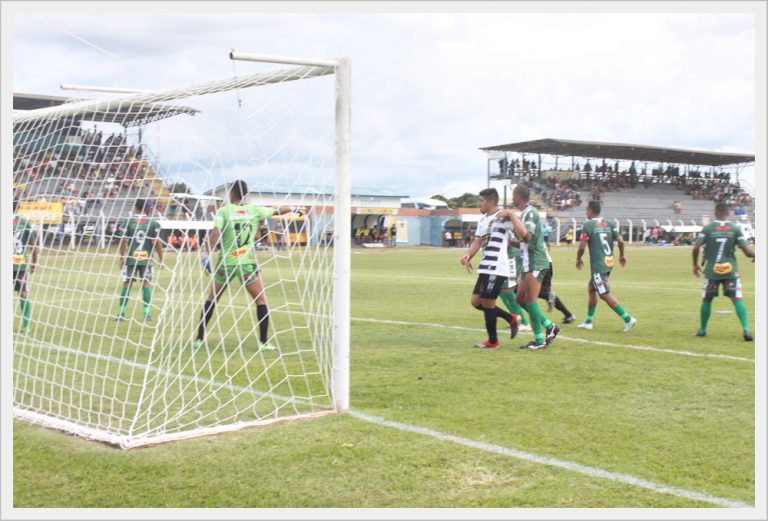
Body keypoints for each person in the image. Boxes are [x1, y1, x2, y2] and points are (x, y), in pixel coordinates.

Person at [192, 180, 295, 351]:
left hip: (226, 263)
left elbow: (215, 233)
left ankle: (198, 339)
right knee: (261, 301)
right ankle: (263, 343)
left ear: (232, 193)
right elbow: (279, 210)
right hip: (245, 264)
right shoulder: (255, 210)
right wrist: (293, 209)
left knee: (212, 299)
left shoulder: (223, 211)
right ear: (245, 194)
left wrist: (205, 255)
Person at [459, 188, 521, 349]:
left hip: (497, 267)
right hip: (485, 267)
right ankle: (511, 318)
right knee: (476, 302)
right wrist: (468, 255)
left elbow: (520, 233)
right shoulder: (482, 220)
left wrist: (512, 216)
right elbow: (477, 242)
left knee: (487, 302)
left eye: (481, 201)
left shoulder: (503, 216)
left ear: (491, 202)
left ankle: (493, 341)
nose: (479, 203)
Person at [692, 203, 755, 341]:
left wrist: (695, 265)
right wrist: (755, 256)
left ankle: (702, 330)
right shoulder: (735, 228)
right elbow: (746, 251)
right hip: (730, 270)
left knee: (707, 299)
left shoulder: (708, 228)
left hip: (712, 271)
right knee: (736, 298)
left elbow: (696, 247)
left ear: (715, 213)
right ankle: (746, 330)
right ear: (728, 213)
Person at [508, 185, 560, 350]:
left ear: (518, 196)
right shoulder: (524, 214)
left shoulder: (530, 213)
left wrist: (512, 219)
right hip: (527, 262)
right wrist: (508, 241)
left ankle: (539, 339)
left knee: (530, 300)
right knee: (520, 299)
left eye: (513, 196)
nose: (512, 199)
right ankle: (549, 326)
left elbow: (527, 237)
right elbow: (523, 242)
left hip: (536, 261)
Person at [575, 201, 636, 331]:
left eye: (586, 210)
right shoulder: (610, 223)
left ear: (591, 210)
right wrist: (622, 255)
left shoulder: (587, 225)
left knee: (603, 294)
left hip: (598, 265)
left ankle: (628, 319)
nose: (586, 212)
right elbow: (620, 241)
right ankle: (588, 322)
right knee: (592, 289)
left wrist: (578, 258)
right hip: (608, 262)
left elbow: (582, 246)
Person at [116, 199, 164, 322]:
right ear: (147, 208)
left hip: (131, 258)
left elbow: (124, 240)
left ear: (136, 207)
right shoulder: (153, 222)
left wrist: (122, 257)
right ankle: (147, 314)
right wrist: (161, 259)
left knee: (127, 283)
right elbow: (157, 242)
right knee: (146, 284)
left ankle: (121, 313)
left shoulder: (128, 221)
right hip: (146, 259)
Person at [13, 200, 38, 333]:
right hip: (19, 264)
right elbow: (33, 246)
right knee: (23, 294)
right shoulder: (24, 222)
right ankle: (26, 325)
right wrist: (34, 263)